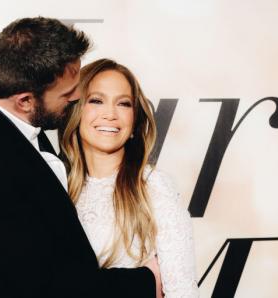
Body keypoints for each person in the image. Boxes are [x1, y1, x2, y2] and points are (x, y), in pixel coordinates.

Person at [0, 17, 162, 298]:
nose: (78, 96)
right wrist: (148, 283)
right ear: (25, 100)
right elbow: (47, 287)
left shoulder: (3, 118)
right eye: (67, 93)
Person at [60, 58, 200, 297]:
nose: (110, 114)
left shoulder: (152, 186)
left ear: (134, 121)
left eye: (123, 104)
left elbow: (182, 290)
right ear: (75, 110)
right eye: (96, 100)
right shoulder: (55, 184)